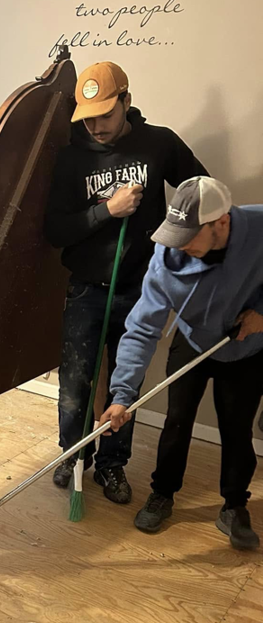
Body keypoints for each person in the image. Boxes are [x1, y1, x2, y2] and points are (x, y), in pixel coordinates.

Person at [45, 60, 207, 505]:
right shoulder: (71, 157)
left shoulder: (159, 144)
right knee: (75, 384)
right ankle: (74, 455)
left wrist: (174, 248)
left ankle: (112, 466)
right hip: (84, 290)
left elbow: (202, 192)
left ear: (127, 103)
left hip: (140, 291)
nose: (96, 126)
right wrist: (107, 211)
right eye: (88, 117)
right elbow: (55, 231)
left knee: (124, 386)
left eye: (106, 115)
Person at [101, 176, 263, 550]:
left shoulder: (257, 229)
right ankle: (163, 494)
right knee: (176, 421)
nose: (179, 245)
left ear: (221, 221)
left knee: (236, 429)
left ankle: (234, 505)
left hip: (246, 343)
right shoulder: (166, 260)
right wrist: (122, 395)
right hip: (193, 339)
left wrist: (261, 315)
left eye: (189, 236)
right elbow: (142, 328)